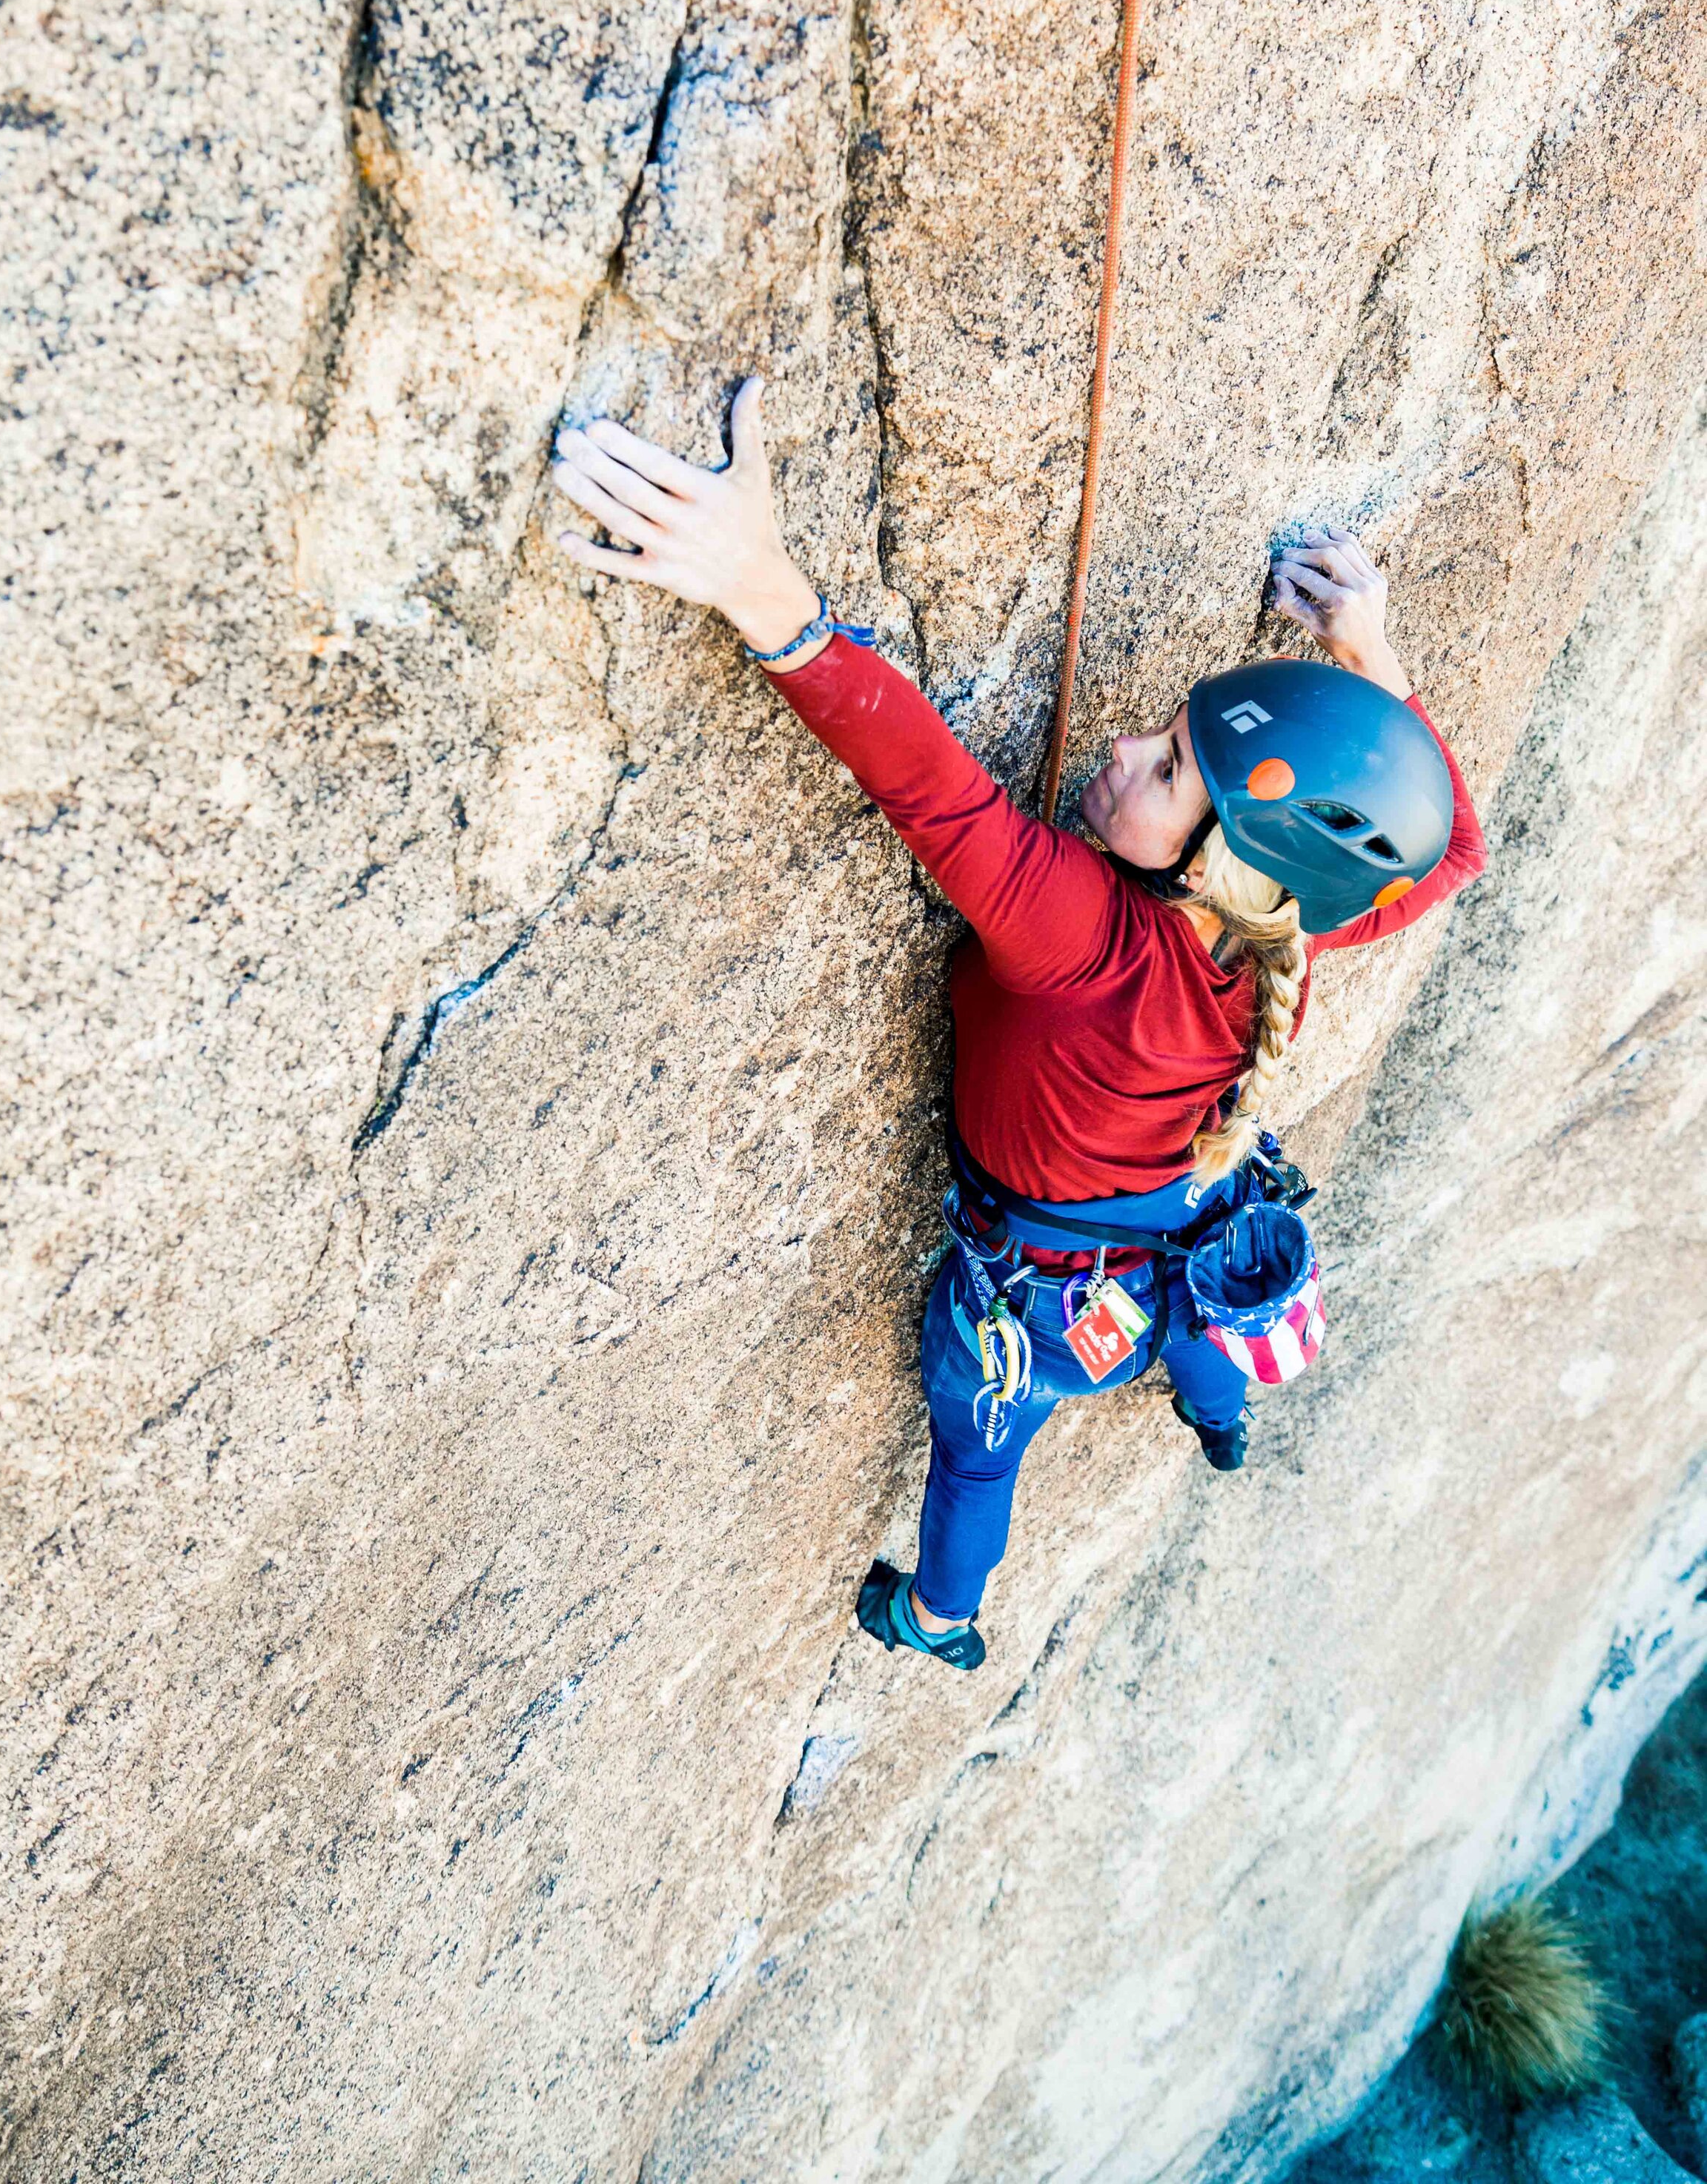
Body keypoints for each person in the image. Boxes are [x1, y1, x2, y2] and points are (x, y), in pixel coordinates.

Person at [551, 377, 1486, 1670]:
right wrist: (1366, 667)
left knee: (978, 1446)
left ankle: (939, 1617)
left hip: (1044, 1292)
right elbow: (1444, 853)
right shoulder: (1285, 932)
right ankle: (1218, 1421)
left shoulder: (1077, 933)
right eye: (1165, 739)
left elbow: (930, 788)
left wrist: (757, 582)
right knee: (1198, 1321)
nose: (1120, 745)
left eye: (1166, 770)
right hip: (1171, 1232)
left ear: (1221, 865)